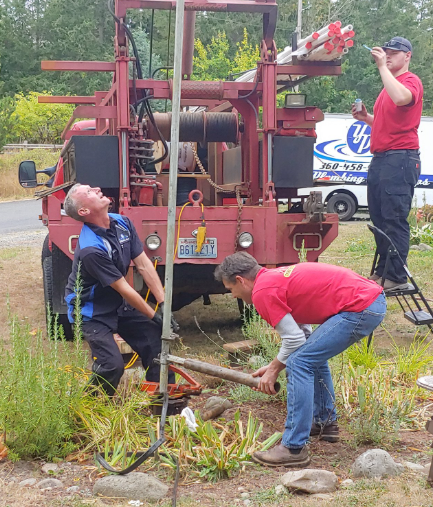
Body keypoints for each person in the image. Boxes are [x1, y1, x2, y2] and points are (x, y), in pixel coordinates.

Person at [215, 252, 386, 467]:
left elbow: (294, 340)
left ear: (240, 280)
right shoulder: (273, 279)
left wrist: (275, 369)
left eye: (231, 290)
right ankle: (325, 422)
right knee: (309, 357)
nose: (233, 296)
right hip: (369, 301)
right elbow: (302, 336)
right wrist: (273, 365)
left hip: (361, 307)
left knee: (299, 363)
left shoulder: (262, 291)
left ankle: (293, 448)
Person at [64, 183, 176, 395]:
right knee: (112, 366)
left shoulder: (122, 223)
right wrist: (155, 316)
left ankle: (164, 403)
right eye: (89, 192)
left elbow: (143, 264)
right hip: (91, 312)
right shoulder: (91, 248)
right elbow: (125, 288)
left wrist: (163, 304)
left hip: (117, 303)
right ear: (84, 211)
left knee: (156, 345)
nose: (97, 189)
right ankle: (88, 410)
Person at [352, 36, 423, 291]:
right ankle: (384, 272)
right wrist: (367, 118)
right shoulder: (388, 87)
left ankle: (396, 277)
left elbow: (404, 99)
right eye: (387, 52)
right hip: (383, 158)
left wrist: (382, 67)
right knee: (380, 219)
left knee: (394, 219)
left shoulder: (409, 81)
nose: (389, 55)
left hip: (400, 159)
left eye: (395, 52)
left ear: (408, 56)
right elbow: (388, 125)